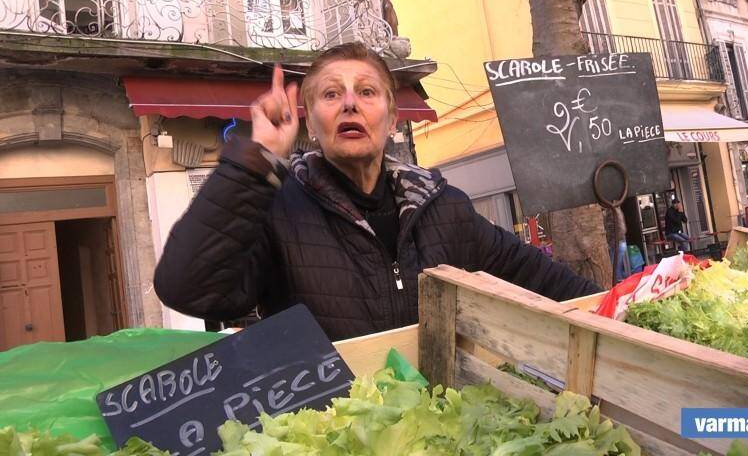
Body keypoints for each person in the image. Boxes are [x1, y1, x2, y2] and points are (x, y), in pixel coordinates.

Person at [154, 42, 601, 340]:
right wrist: (256, 159)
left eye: (366, 92)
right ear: (310, 121)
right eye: (331, 95)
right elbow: (187, 289)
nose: (349, 103)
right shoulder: (277, 210)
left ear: (392, 118)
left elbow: (551, 284)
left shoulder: (446, 209)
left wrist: (630, 307)